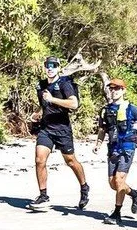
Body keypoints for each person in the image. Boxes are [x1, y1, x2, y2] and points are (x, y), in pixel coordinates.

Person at [29, 55, 93, 211]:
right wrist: (37, 113)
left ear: (58, 67)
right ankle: (43, 195)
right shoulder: (41, 85)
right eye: (47, 65)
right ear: (44, 67)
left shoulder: (65, 84)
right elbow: (43, 104)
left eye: (53, 65)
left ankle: (84, 187)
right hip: (46, 129)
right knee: (39, 160)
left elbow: (74, 103)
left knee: (70, 161)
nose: (50, 68)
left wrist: (52, 100)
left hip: (62, 129)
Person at [94, 78, 137, 226]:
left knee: (119, 180)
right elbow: (102, 129)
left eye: (117, 88)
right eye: (111, 88)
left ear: (123, 90)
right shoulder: (105, 110)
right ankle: (135, 193)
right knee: (113, 183)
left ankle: (117, 213)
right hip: (112, 148)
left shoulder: (131, 108)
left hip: (127, 147)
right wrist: (98, 144)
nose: (113, 91)